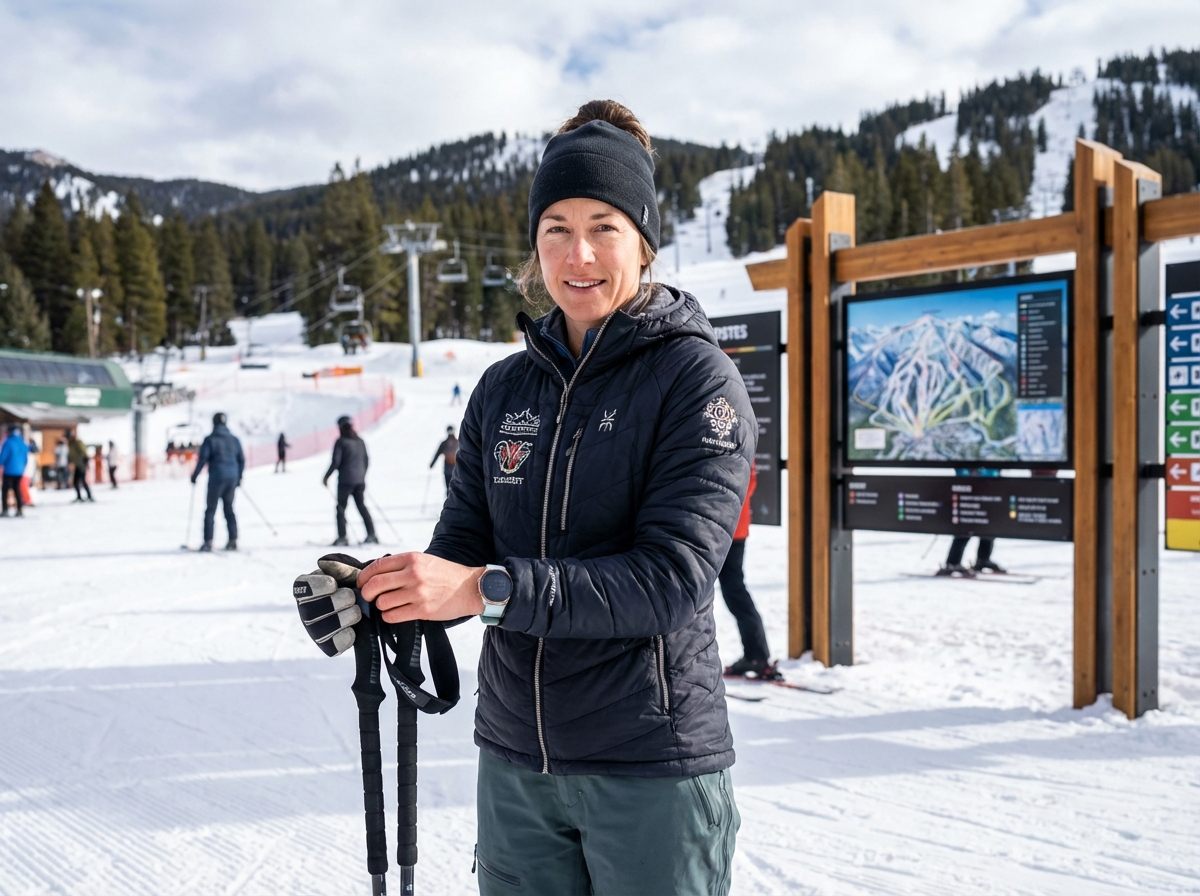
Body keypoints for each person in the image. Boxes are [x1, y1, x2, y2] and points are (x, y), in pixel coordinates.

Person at [351, 101, 755, 895]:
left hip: (649, 766)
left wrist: (482, 589)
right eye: (556, 228)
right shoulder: (506, 386)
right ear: (535, 245)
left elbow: (669, 581)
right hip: (515, 763)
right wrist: (382, 592)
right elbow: (462, 545)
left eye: (604, 226)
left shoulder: (695, 378)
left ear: (642, 238)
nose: (579, 253)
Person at [719, 465, 777, 679]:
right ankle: (756, 655)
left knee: (730, 592)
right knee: (734, 592)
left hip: (720, 527)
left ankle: (756, 655)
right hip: (733, 527)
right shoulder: (743, 437)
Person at [191, 412, 244, 552]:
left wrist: (194, 475)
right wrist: (239, 478)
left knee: (210, 510)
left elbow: (203, 459)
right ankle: (233, 540)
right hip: (232, 478)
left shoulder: (210, 439)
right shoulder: (234, 439)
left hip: (216, 478)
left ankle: (208, 542)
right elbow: (241, 460)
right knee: (229, 509)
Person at [938, 468, 1004, 577]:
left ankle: (983, 559)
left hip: (990, 487)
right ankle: (953, 562)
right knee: (965, 527)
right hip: (968, 488)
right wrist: (971, 473)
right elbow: (960, 466)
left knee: (989, 526)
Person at [323, 415, 377, 547]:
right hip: (360, 481)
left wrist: (326, 476)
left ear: (340, 427)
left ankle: (342, 537)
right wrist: (362, 475)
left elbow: (336, 462)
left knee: (341, 508)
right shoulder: (360, 440)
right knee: (362, 507)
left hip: (345, 481)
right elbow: (366, 460)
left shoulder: (341, 441)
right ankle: (371, 534)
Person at [0, 425, 29, 517]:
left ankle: (5, 510)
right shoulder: (22, 442)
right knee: (17, 490)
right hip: (19, 471)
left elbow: (3, 456)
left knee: (5, 490)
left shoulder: (8, 442)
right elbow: (25, 457)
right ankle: (19, 509)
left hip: (9, 470)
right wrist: (22, 467)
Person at [430, 425, 458, 491]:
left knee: (456, 486)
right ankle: (449, 499)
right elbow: (437, 453)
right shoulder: (444, 444)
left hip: (456, 467)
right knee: (448, 487)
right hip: (448, 467)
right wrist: (432, 463)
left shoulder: (458, 442)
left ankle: (455, 500)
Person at [67, 430, 93, 503]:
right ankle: (79, 497)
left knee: (82, 481)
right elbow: (71, 455)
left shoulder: (78, 443)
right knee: (76, 481)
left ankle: (89, 496)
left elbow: (84, 452)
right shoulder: (71, 445)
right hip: (77, 465)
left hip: (81, 464)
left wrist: (85, 462)